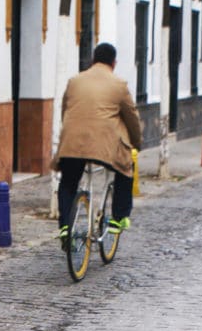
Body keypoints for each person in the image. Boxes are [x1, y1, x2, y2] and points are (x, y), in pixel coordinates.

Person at [53, 42, 142, 248]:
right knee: (126, 168)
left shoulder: (74, 81)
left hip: (72, 143)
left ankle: (65, 225)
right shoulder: (119, 84)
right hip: (105, 148)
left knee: (68, 183)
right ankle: (118, 218)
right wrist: (136, 142)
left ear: (92, 60)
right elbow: (132, 117)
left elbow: (65, 110)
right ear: (114, 62)